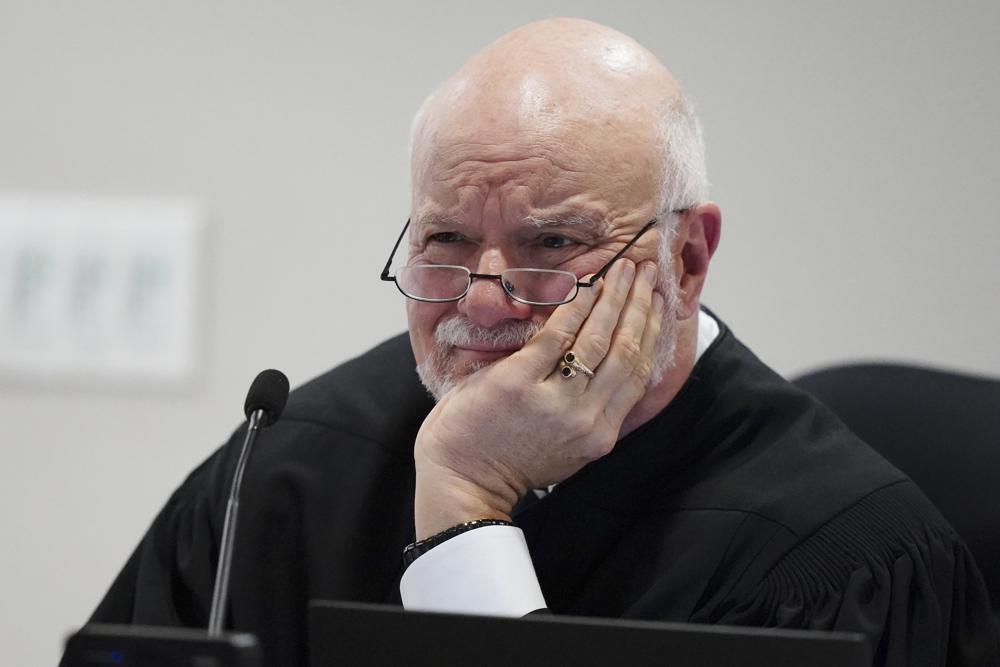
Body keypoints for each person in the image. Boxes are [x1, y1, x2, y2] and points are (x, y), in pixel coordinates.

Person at [75, 18, 998, 667]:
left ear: (685, 259)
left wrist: (466, 501)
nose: (483, 298)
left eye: (552, 242)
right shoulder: (287, 471)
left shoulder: (843, 563)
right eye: (444, 239)